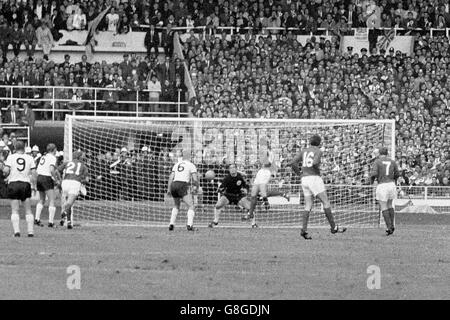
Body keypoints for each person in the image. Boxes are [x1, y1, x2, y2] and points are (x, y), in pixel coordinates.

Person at [290, 135, 346, 240]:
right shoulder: (318, 151)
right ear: (319, 143)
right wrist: (317, 170)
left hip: (304, 179)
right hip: (314, 178)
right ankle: (334, 227)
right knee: (326, 202)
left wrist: (300, 174)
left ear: (310, 142)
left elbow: (292, 162)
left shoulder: (304, 151)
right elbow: (315, 162)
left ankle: (304, 230)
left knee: (308, 205)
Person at [2, 141, 37, 237]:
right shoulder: (30, 158)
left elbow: (6, 170)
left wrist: (4, 171)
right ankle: (30, 232)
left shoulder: (11, 157)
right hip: (25, 183)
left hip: (13, 183)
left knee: (15, 209)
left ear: (15, 148)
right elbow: (34, 173)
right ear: (24, 148)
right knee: (28, 210)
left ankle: (17, 232)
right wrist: (34, 185)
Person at [208, 164, 250, 228]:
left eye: (234, 167)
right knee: (217, 206)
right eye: (231, 168)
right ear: (229, 170)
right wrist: (219, 189)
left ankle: (253, 224)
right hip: (228, 196)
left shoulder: (240, 177)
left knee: (250, 208)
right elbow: (222, 188)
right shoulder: (226, 178)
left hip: (238, 196)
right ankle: (215, 221)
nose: (232, 169)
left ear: (236, 169)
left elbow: (245, 186)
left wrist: (245, 190)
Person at [370, 147, 399, 236]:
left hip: (382, 185)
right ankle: (392, 225)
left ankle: (389, 227)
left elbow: (374, 173)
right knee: (390, 204)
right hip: (391, 184)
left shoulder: (377, 161)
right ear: (387, 153)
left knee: (383, 205)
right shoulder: (392, 161)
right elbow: (397, 174)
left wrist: (371, 181)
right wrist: (395, 181)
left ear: (379, 153)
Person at [167, 150, 199, 231]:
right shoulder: (191, 165)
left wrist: (168, 189)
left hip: (174, 184)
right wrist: (196, 187)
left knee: (176, 205)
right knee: (191, 206)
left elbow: (171, 177)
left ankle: (171, 224)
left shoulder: (176, 164)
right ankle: (189, 225)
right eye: (192, 155)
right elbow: (195, 179)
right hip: (182, 184)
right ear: (190, 156)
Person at [58, 150, 89, 229]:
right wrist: (82, 182)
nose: (83, 157)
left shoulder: (67, 163)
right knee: (69, 204)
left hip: (65, 183)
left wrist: (60, 180)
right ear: (79, 157)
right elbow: (87, 180)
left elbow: (57, 170)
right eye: (82, 156)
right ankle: (64, 213)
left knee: (68, 204)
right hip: (75, 183)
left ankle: (68, 222)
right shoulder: (83, 166)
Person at [34, 143, 59, 227]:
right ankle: (51, 222)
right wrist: (55, 179)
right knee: (51, 200)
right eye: (56, 149)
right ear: (54, 149)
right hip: (46, 178)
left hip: (39, 177)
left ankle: (37, 219)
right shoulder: (52, 158)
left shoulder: (43, 157)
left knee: (41, 199)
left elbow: (38, 169)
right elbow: (51, 170)